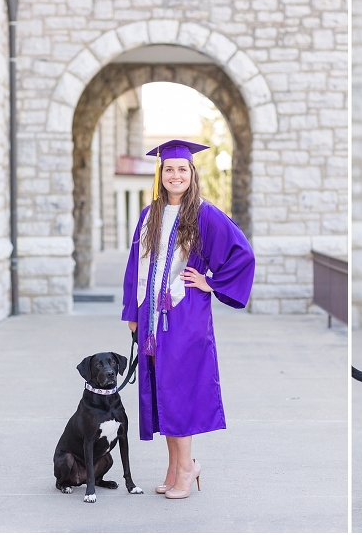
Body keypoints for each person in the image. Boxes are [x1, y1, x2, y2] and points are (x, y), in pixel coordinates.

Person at [122, 139, 255, 500]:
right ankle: (175, 467)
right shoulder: (149, 216)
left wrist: (210, 283)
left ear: (192, 174)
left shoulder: (204, 214)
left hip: (186, 317)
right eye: (169, 169)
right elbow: (135, 268)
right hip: (152, 319)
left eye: (182, 169)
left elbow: (242, 254)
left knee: (179, 392)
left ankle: (186, 468)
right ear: (161, 174)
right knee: (162, 391)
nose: (175, 175)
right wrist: (131, 315)